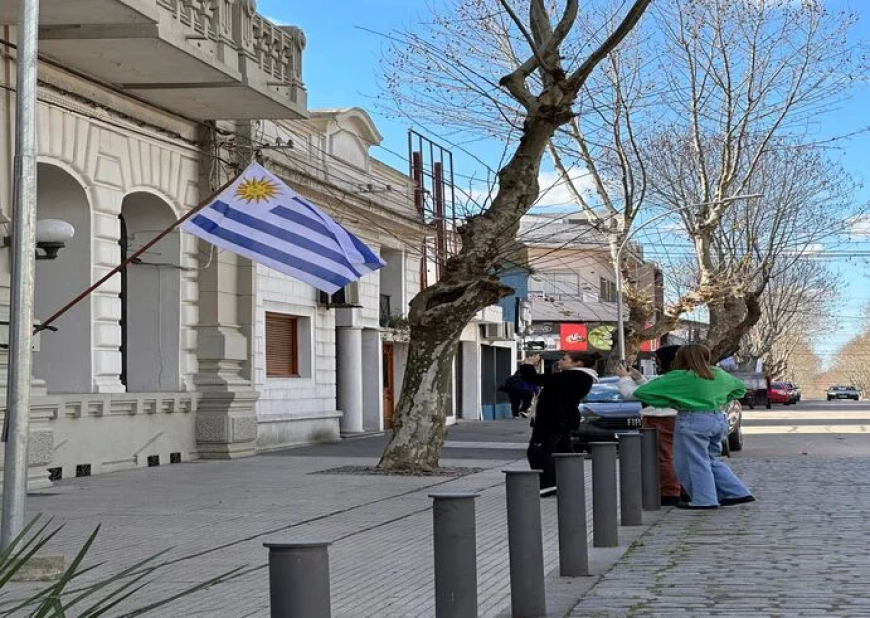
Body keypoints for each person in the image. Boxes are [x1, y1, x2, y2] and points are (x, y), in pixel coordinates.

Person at [631, 344, 754, 510]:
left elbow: (642, 392)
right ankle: (737, 492)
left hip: (692, 419)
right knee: (711, 459)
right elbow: (740, 389)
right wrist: (719, 400)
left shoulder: (678, 376)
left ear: (680, 358)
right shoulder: (717, 374)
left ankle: (705, 500)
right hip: (717, 418)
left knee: (693, 461)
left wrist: (670, 402)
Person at [520, 352, 599, 496]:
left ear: (578, 363)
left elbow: (534, 379)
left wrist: (528, 365)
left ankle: (548, 485)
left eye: (564, 359)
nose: (559, 362)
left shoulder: (575, 376)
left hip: (554, 419)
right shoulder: (577, 376)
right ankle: (567, 483)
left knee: (539, 451)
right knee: (563, 452)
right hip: (561, 419)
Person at [615, 345, 682, 506]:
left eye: (658, 359)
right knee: (669, 456)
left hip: (659, 419)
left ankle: (669, 491)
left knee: (663, 457)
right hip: (669, 418)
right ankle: (675, 489)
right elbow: (652, 390)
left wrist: (624, 378)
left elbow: (634, 394)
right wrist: (638, 378)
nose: (656, 363)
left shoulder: (669, 378)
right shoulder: (678, 377)